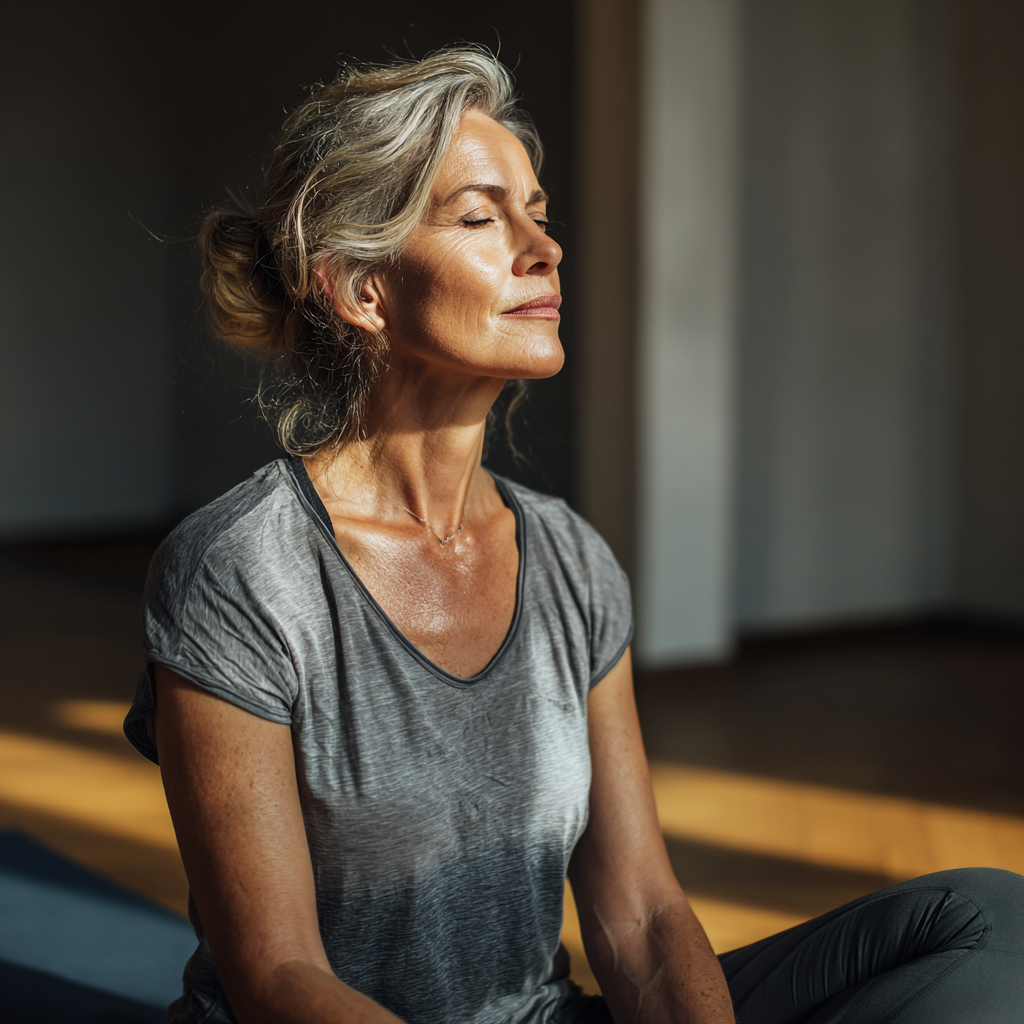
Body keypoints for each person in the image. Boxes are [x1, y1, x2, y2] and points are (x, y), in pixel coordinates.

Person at [124, 47, 1024, 1024]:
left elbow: (639, 914)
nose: (543, 248)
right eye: (481, 216)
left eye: (537, 214)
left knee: (989, 918)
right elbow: (279, 978)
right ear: (361, 290)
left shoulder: (570, 560)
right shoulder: (241, 567)